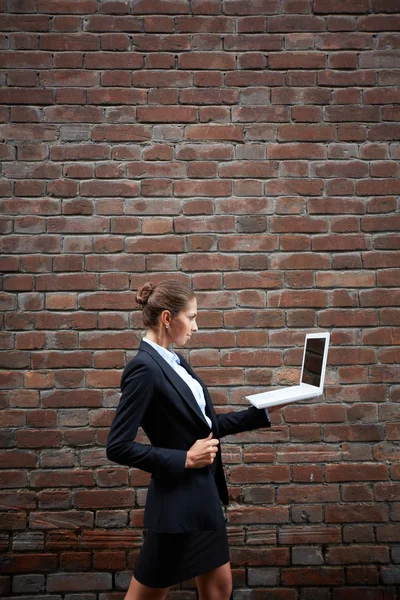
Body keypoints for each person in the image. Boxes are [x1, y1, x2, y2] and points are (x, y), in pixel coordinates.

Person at [106, 280, 274, 600]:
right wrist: (184, 458)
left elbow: (206, 426)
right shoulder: (144, 368)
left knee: (220, 588)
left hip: (203, 499)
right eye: (192, 317)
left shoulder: (177, 361)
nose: (196, 326)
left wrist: (263, 412)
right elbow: (117, 446)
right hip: (177, 507)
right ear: (168, 318)